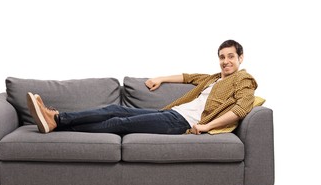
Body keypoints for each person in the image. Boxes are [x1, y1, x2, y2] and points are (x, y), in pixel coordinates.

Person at [26, 39, 257, 135]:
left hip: (182, 123)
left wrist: (206, 127)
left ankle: (57, 121)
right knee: (112, 110)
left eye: (230, 57)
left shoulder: (244, 81)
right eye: (221, 57)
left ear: (240, 58)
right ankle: (56, 120)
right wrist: (161, 78)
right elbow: (188, 77)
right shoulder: (213, 77)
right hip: (170, 113)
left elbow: (241, 109)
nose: (225, 61)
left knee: (119, 123)